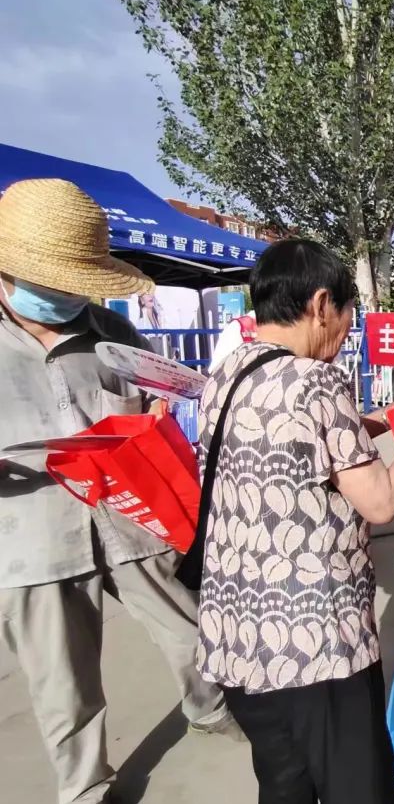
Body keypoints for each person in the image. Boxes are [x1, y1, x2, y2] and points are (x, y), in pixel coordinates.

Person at [0, 178, 239, 804]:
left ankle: (210, 708)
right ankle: (85, 786)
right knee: (63, 680)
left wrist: (161, 413)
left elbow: (158, 395)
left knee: (191, 631)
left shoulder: (113, 332)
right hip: (32, 537)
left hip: (129, 513)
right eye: (54, 282)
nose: (67, 295)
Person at [194, 238, 394, 804]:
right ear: (319, 305)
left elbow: (291, 440)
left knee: (284, 784)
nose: (345, 330)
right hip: (316, 648)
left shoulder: (227, 373)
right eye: (346, 315)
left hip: (239, 639)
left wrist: (376, 421)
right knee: (357, 787)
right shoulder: (316, 381)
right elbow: (382, 502)